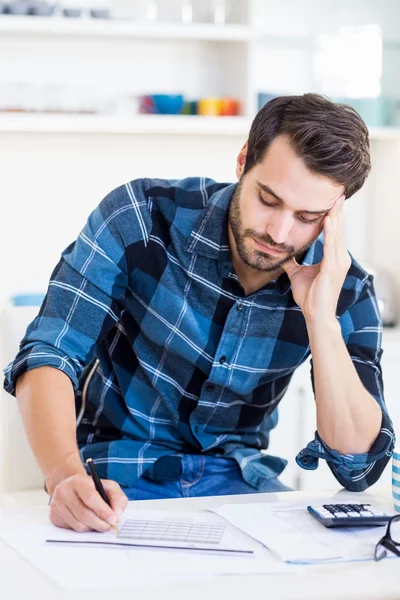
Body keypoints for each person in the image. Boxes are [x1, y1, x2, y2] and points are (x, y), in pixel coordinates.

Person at [4, 93, 395, 534]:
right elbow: (49, 353)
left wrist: (320, 318)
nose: (279, 232)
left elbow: (358, 467)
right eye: (268, 199)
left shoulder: (346, 286)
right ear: (244, 161)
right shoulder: (142, 216)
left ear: (334, 214)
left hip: (242, 490)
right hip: (118, 482)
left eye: (308, 216)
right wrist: (64, 476)